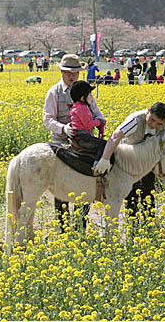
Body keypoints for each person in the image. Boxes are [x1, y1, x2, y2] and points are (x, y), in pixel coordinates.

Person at [44, 54, 104, 231]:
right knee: (60, 184)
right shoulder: (54, 92)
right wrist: (64, 128)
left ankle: (80, 226)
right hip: (62, 142)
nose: (73, 76)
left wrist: (99, 121)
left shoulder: (84, 90)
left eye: (76, 73)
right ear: (62, 72)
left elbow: (97, 113)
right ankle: (63, 227)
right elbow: (48, 119)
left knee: (86, 182)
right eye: (69, 73)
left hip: (84, 143)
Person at [94, 102, 165, 216]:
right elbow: (116, 136)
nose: (154, 125)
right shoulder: (135, 120)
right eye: (152, 120)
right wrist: (105, 159)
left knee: (148, 190)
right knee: (130, 192)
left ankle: (148, 224)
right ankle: (133, 224)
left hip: (148, 162)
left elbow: (163, 144)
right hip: (127, 161)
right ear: (148, 110)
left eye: (159, 123)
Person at [69, 80, 107, 166]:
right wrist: (99, 122)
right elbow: (88, 124)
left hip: (79, 135)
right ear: (83, 98)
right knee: (103, 144)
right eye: (89, 94)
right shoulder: (82, 108)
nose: (91, 97)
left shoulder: (77, 106)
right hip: (83, 137)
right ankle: (97, 165)